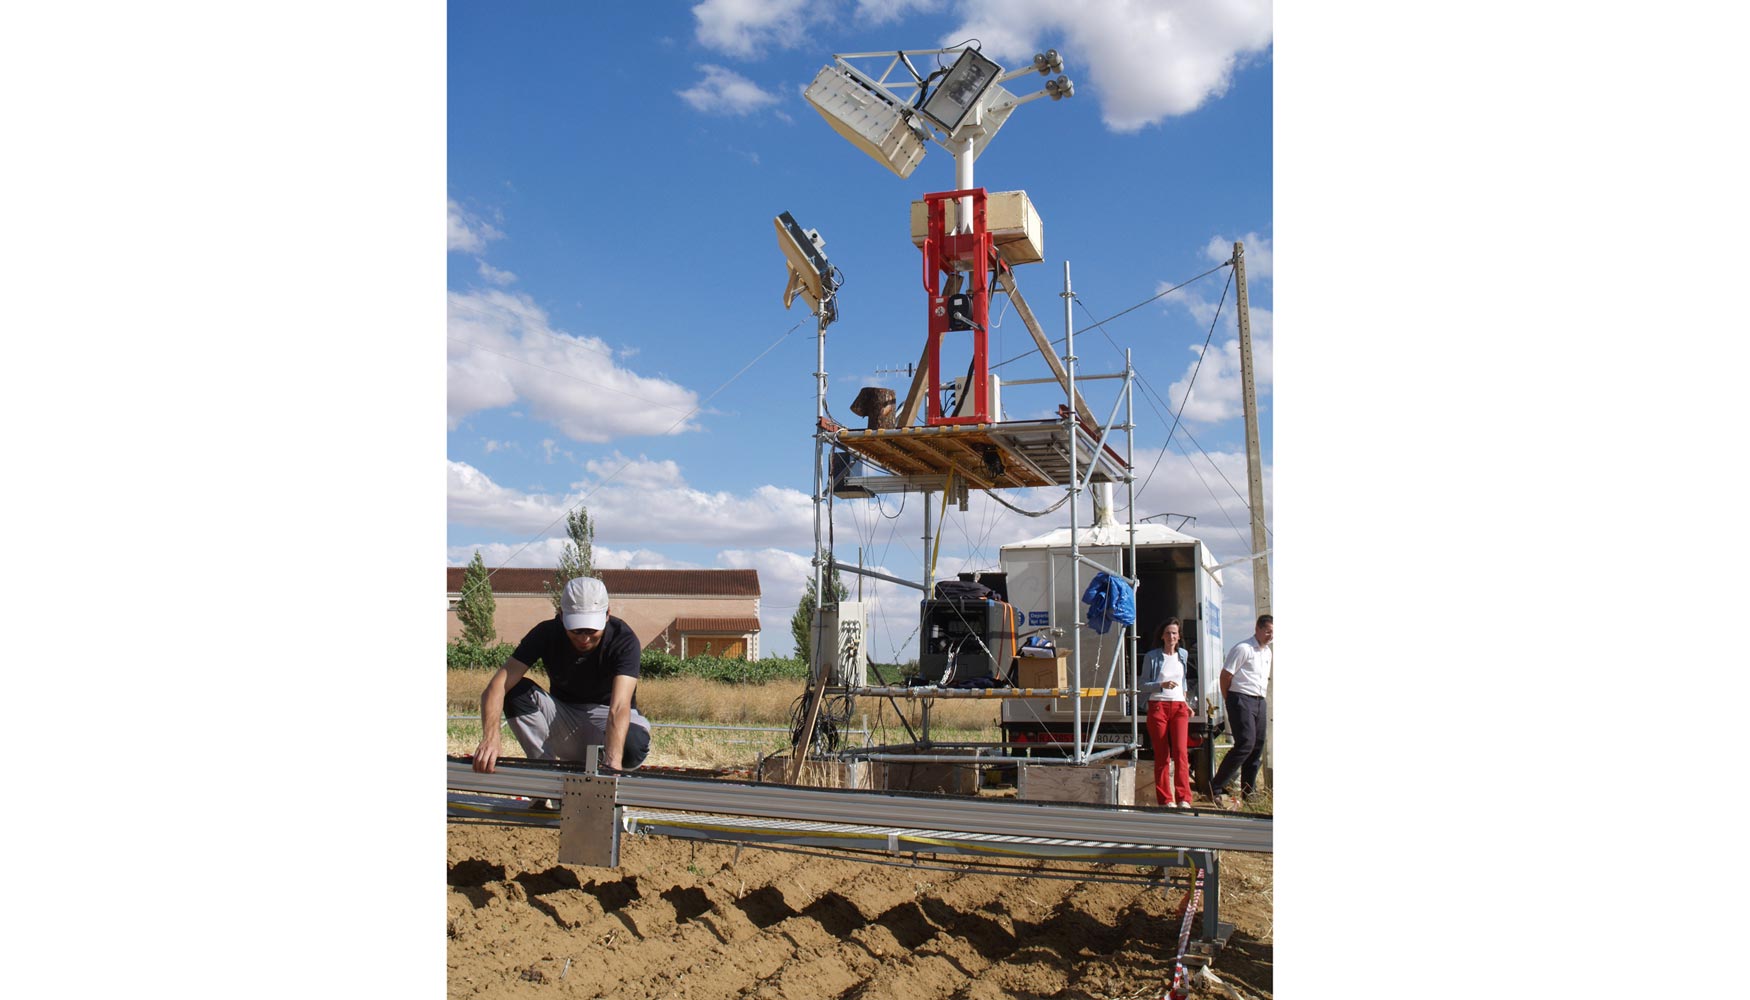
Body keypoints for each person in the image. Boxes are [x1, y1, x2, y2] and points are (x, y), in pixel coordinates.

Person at [472, 576, 653, 791]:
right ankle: (546, 779)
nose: (584, 639)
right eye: (576, 630)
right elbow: (496, 686)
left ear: (607, 615)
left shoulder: (624, 640)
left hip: (607, 722)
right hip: (564, 719)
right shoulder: (545, 633)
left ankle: (606, 764)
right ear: (561, 615)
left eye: (591, 631)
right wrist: (490, 738)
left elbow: (620, 707)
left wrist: (612, 765)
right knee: (514, 690)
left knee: (632, 744)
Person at [1211, 614, 1273, 804]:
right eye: (1268, 631)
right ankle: (1216, 785)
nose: (1271, 635)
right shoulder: (1243, 648)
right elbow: (1225, 676)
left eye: (1273, 632)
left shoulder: (1267, 652)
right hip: (1241, 697)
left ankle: (1249, 790)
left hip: (1259, 699)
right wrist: (1230, 699)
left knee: (1257, 745)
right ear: (1258, 629)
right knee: (1245, 742)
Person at [1140, 617, 1193, 808]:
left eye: (1175, 633)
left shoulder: (1183, 655)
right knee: (1162, 754)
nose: (1171, 636)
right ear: (1162, 636)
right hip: (1158, 706)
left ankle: (1184, 798)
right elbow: (1141, 685)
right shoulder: (1152, 656)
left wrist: (1186, 702)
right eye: (1168, 633)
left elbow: (1184, 681)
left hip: (1179, 707)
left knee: (1180, 752)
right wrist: (1160, 685)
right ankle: (1165, 800)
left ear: (1179, 637)